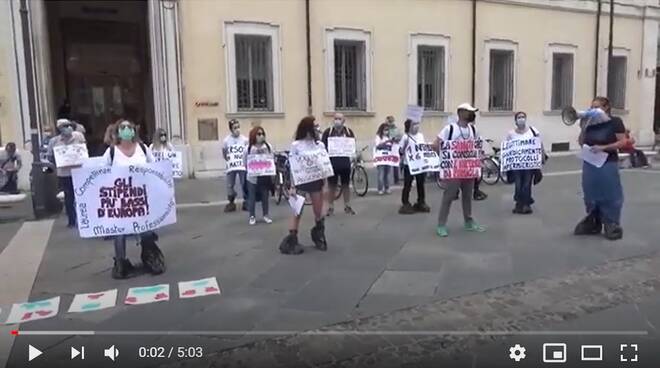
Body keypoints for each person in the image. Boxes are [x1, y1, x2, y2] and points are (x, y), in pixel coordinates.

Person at [102, 120, 166, 279]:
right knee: (120, 233)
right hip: (121, 200)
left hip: (141, 198)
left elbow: (155, 168)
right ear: (117, 132)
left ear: (134, 130)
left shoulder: (143, 149)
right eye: (122, 128)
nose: (126, 130)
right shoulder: (111, 152)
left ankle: (150, 257)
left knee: (145, 229)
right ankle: (121, 263)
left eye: (129, 127)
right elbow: (101, 173)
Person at [574, 96, 626, 240]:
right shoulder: (590, 122)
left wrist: (604, 147)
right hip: (590, 162)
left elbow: (623, 142)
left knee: (610, 192)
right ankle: (594, 219)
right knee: (590, 190)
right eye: (591, 107)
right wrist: (583, 127)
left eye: (596, 107)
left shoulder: (615, 122)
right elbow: (580, 141)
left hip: (607, 162)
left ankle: (611, 222)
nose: (593, 110)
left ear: (606, 108)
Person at [434, 103, 486, 237]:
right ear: (461, 112)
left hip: (468, 170)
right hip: (453, 171)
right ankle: (441, 224)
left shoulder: (473, 130)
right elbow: (436, 144)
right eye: (469, 112)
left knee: (467, 196)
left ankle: (468, 221)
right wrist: (446, 158)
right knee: (449, 196)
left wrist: (479, 162)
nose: (472, 115)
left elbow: (477, 148)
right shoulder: (449, 129)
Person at [279, 116, 327, 255]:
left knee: (318, 211)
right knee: (297, 211)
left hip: (316, 180)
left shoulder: (320, 145)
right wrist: (293, 186)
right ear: (308, 129)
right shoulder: (296, 145)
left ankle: (318, 233)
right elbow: (294, 166)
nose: (318, 129)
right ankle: (292, 238)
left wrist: (325, 182)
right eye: (315, 126)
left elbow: (324, 164)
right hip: (301, 180)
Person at [47, 119, 86, 227]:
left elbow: (83, 150)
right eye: (64, 126)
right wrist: (59, 161)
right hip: (64, 173)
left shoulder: (78, 137)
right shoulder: (54, 141)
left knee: (82, 195)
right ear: (59, 129)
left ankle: (84, 218)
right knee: (69, 197)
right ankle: (72, 220)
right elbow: (50, 156)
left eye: (69, 125)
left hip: (79, 171)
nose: (68, 128)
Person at [505, 112, 543, 214]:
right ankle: (518, 203)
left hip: (529, 164)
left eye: (523, 117)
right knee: (518, 184)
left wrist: (540, 158)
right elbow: (507, 148)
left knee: (527, 184)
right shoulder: (511, 134)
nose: (521, 119)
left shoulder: (533, 131)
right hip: (516, 165)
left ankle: (526, 204)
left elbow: (539, 144)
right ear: (515, 120)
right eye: (519, 117)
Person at [322, 113, 356, 216]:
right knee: (332, 186)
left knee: (346, 185)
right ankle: (330, 207)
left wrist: (353, 157)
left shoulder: (349, 132)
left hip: (345, 163)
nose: (337, 120)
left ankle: (347, 205)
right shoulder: (328, 132)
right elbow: (323, 146)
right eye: (335, 118)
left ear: (343, 120)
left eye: (339, 119)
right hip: (332, 163)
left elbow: (352, 145)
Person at [398, 119, 430, 214]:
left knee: (421, 184)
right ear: (409, 127)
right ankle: (405, 202)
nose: (416, 126)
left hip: (419, 164)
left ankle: (421, 201)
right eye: (414, 125)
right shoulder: (405, 137)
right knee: (407, 185)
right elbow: (400, 152)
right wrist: (405, 146)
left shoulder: (420, 136)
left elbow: (423, 148)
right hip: (409, 165)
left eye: (417, 124)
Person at [245, 126, 273, 225]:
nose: (261, 136)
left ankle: (265, 215)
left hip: (264, 176)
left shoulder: (268, 147)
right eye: (259, 134)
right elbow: (245, 162)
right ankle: (252, 216)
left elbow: (271, 159)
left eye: (262, 134)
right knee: (251, 197)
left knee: (265, 196)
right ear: (254, 136)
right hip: (252, 177)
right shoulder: (248, 148)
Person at [222, 119, 248, 212]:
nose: (237, 129)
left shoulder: (244, 140)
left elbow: (247, 152)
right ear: (231, 129)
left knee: (244, 183)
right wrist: (229, 160)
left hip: (242, 165)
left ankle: (246, 201)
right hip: (232, 166)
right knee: (230, 184)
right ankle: (231, 202)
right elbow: (224, 152)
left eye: (238, 127)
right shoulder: (226, 140)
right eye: (235, 128)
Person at [374, 123, 394, 195]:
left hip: (388, 158)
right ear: (382, 130)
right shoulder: (378, 137)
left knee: (387, 174)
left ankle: (387, 188)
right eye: (385, 130)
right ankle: (380, 188)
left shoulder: (389, 137)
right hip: (381, 159)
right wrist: (385, 142)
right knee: (381, 174)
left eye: (388, 130)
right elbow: (378, 146)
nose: (387, 131)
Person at [386, 116, 402, 185]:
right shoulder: (385, 129)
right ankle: (386, 179)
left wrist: (394, 139)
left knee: (395, 164)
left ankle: (396, 179)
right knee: (387, 163)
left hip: (395, 147)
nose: (389, 123)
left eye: (390, 122)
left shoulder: (396, 129)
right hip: (388, 147)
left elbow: (400, 137)